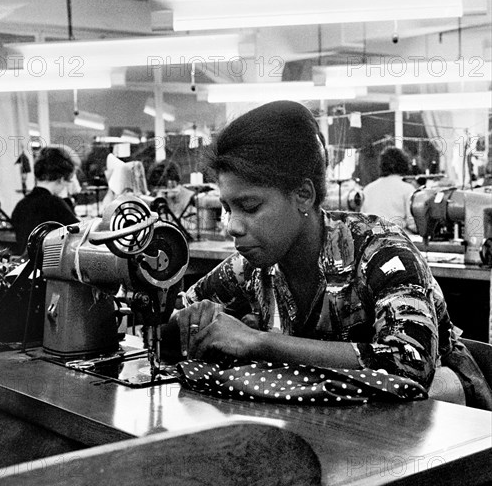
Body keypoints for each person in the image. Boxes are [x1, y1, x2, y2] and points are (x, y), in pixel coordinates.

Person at [166, 100, 491, 410]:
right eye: (226, 208)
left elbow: (409, 363)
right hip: (333, 427)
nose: (232, 226)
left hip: (448, 427)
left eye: (250, 207)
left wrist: (255, 341)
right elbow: (182, 312)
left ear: (303, 195)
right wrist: (186, 323)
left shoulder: (381, 250)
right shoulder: (250, 266)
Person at [11, 145, 79, 254]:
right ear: (61, 179)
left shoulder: (21, 205)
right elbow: (80, 235)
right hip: (48, 267)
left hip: (25, 267)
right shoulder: (55, 204)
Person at [361, 146, 417, 232]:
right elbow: (413, 224)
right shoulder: (407, 189)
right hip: (397, 240)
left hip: (372, 240)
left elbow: (363, 222)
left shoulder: (367, 189)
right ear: (404, 164)